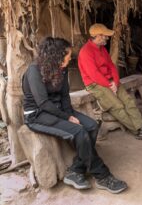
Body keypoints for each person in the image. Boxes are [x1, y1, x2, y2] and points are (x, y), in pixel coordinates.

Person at [22, 37, 127, 193]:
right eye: (68, 55)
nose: (70, 58)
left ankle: (76, 170)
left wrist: (70, 113)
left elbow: (65, 96)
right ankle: (102, 175)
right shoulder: (34, 71)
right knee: (79, 131)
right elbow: (43, 103)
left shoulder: (61, 69)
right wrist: (67, 118)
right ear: (56, 56)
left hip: (58, 109)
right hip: (37, 114)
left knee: (91, 125)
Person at [78, 23, 142, 141]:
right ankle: (137, 130)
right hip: (95, 84)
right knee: (117, 106)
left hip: (110, 82)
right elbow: (94, 74)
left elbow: (111, 66)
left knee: (129, 101)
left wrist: (115, 82)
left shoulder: (102, 49)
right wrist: (109, 85)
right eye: (105, 36)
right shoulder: (85, 52)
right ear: (99, 36)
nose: (107, 37)